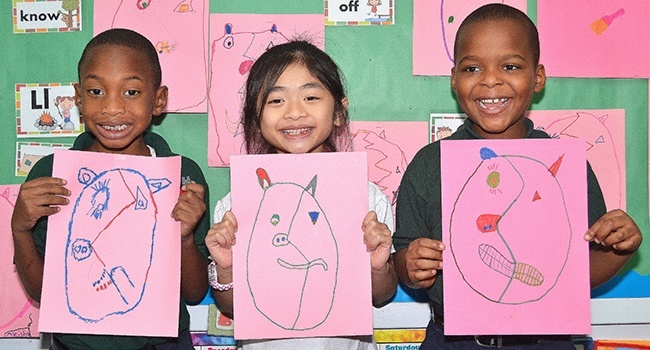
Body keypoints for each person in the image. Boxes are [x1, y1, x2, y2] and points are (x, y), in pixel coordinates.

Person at [392, 4, 643, 349]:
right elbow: (403, 262)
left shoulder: (565, 165)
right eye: (472, 67)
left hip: (546, 341)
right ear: (454, 79)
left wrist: (620, 248)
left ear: (538, 77)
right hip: (453, 341)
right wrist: (410, 264)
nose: (491, 79)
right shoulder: (429, 164)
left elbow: (579, 273)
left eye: (510, 66)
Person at [11, 28, 210, 350]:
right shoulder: (51, 175)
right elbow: (41, 292)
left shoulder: (183, 175)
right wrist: (19, 229)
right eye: (95, 91)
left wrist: (185, 238)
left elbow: (194, 292)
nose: (112, 108)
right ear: (77, 97)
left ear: (158, 100)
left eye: (131, 92)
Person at [205, 40, 398, 350]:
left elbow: (381, 295)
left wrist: (378, 266)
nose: (295, 112)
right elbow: (230, 307)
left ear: (339, 111)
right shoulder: (235, 205)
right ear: (255, 118)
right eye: (276, 100)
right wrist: (226, 267)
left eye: (310, 97)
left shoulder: (368, 200)